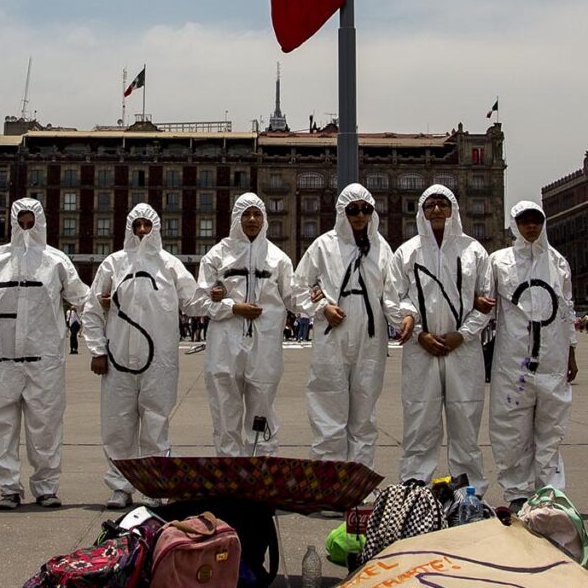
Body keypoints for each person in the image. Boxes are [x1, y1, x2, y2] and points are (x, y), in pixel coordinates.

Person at [0, 196, 89, 507]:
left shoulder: (56, 261)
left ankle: (46, 486)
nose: (25, 227)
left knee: (45, 422)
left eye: (30, 221)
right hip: (1, 359)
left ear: (41, 222)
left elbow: (82, 296)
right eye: (19, 221)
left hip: (44, 358)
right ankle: (8, 486)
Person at [84, 203, 203, 508]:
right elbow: (92, 310)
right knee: (117, 425)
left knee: (155, 423)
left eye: (146, 225)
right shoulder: (113, 264)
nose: (141, 231)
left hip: (159, 362)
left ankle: (155, 486)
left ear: (156, 228)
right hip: (118, 360)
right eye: (136, 225)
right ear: (128, 227)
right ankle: (120, 486)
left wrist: (220, 295)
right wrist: (97, 350)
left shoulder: (170, 265)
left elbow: (193, 301)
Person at [293, 184, 402, 467]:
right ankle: (329, 482)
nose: (359, 215)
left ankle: (358, 484)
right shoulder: (324, 245)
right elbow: (298, 286)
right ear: (343, 212)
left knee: (364, 413)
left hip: (370, 333)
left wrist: (402, 321)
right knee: (328, 406)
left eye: (365, 209)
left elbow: (390, 292)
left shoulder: (381, 247)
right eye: (353, 210)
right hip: (333, 333)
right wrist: (321, 308)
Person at [394, 185, 494, 485]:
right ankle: (415, 484)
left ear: (454, 210)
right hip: (420, 349)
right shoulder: (407, 252)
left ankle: (469, 488)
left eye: (443, 204)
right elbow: (395, 296)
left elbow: (486, 301)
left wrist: (462, 335)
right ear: (421, 212)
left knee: (465, 419)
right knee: (419, 418)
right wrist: (419, 333)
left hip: (462, 349)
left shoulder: (474, 251)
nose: (436, 210)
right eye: (430, 205)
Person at [489, 199, 577, 501]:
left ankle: (550, 490)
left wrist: (572, 351)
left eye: (535, 221)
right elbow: (488, 306)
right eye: (525, 221)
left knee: (551, 427)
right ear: (515, 224)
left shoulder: (558, 262)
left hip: (552, 357)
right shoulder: (498, 261)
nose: (531, 226)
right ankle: (516, 491)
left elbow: (567, 309)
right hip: (513, 359)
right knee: (512, 428)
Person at [199, 192, 299, 456]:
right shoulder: (216, 256)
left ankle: (262, 467)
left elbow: (294, 297)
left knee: (262, 407)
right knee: (225, 409)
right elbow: (200, 300)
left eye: (257, 214)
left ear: (264, 218)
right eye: (246, 214)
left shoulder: (278, 259)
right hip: (224, 345)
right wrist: (233, 307)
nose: (252, 219)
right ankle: (230, 473)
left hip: (264, 346)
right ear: (236, 218)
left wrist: (322, 299)